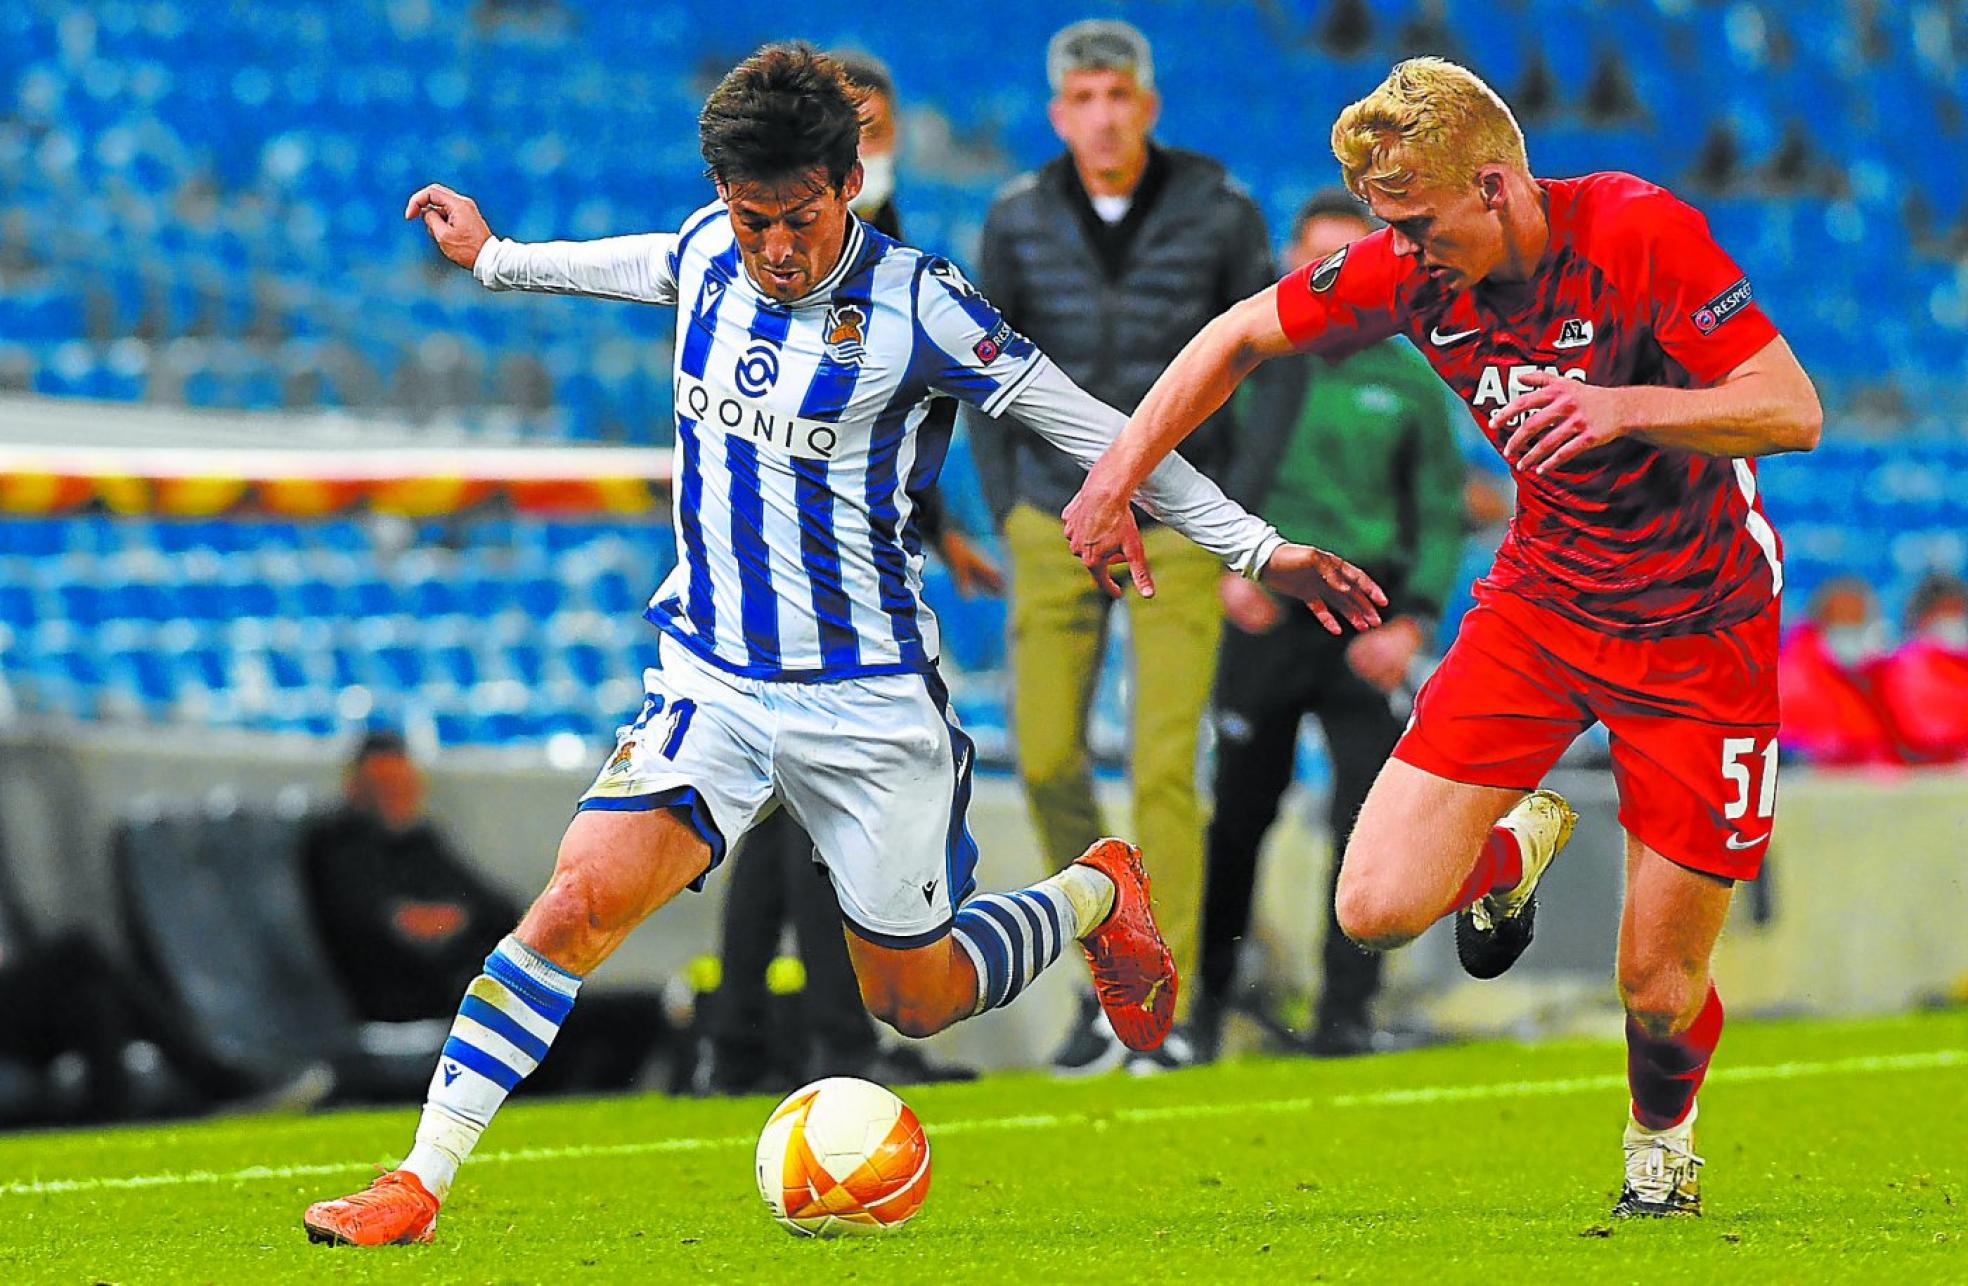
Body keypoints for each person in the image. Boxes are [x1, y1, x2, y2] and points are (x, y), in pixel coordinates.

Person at [303, 43, 1381, 1247]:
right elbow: (630, 262)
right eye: (750, 219)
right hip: (713, 680)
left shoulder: (923, 305)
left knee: (916, 999)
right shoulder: (708, 250)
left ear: (850, 179)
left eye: (798, 219)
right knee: (573, 903)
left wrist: (1257, 549)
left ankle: (1094, 891)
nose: (773, 247)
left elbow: (1097, 430)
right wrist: (494, 257)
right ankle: (419, 1179)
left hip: (868, 703)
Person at [1063, 57, 1821, 1218]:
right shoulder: (1412, 266)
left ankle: (1660, 1134)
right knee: (1372, 906)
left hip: (1697, 625)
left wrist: (1623, 406)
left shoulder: (1639, 231)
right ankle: (1508, 857)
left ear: (1496, 186)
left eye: (1417, 224)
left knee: (1658, 988)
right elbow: (1237, 334)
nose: (1401, 250)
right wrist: (1117, 474)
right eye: (1388, 227)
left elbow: (1792, 407)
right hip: (1544, 606)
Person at [968, 18, 1282, 1075]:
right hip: (1053, 513)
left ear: (1147, 105)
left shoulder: (1220, 208)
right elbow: (977, 362)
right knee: (1046, 753)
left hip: (1179, 517)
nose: (1103, 116)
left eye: (1118, 96)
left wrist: (1237, 510)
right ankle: (1107, 981)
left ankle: (1168, 1006)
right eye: (1084, 99)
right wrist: (1008, 501)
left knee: (1165, 765)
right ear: (1059, 114)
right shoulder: (1017, 215)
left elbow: (1270, 360)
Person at [696, 48, 989, 1097]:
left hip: (818, 568)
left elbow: (887, 425)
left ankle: (747, 1035)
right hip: (802, 582)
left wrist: (939, 529)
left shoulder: (878, 243)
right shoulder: (837, 250)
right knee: (815, 824)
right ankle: (829, 1038)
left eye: (878, 123)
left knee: (778, 825)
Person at [1195, 189, 1467, 1062]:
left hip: (1365, 623)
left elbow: (1439, 510)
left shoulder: (1411, 380)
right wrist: (1226, 571)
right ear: (1289, 262)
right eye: (1317, 261)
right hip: (1267, 611)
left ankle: (1345, 1015)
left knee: (1368, 821)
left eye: (1350, 262)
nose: (1332, 279)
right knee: (1238, 817)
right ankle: (1204, 1009)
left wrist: (1413, 623)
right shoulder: (1248, 362)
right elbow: (1200, 474)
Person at [300, 730, 669, 1094]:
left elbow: (501, 908)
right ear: (355, 787)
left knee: (636, 1013)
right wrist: (451, 922)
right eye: (383, 786)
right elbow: (388, 928)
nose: (395, 796)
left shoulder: (422, 844)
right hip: (415, 1001)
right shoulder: (339, 847)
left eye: (401, 784)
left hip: (474, 984)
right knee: (575, 1021)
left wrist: (452, 921)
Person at [1871, 572, 1968, 763]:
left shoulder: (1960, 658)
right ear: (1923, 617)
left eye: (1958, 610)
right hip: (1927, 767)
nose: (1952, 618)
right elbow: (1923, 733)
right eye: (1944, 611)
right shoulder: (1904, 667)